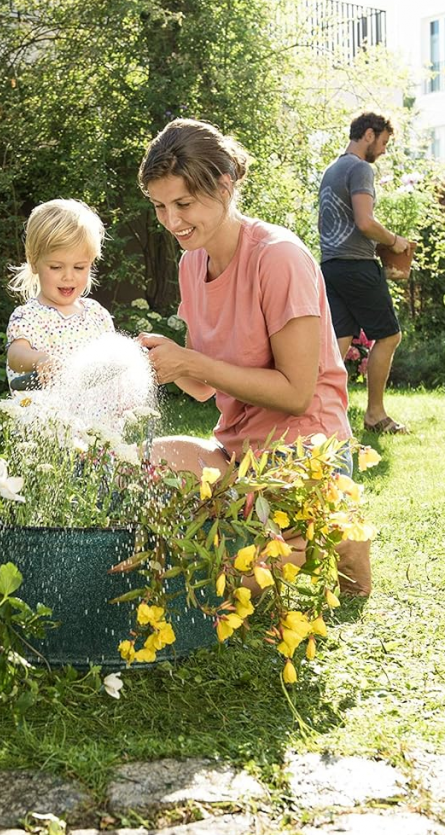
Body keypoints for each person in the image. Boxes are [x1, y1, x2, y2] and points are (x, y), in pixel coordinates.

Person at [136, 118, 371, 597]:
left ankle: (335, 527)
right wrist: (158, 361)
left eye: (183, 203)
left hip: (303, 451)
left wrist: (191, 363)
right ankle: (279, 530)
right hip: (238, 454)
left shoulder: (277, 256)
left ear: (224, 185)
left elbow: (296, 392)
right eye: (160, 206)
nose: (172, 221)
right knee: (148, 466)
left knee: (232, 585)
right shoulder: (191, 263)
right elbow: (204, 387)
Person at [318, 111, 412, 435]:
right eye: (384, 142)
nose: (384, 150)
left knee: (336, 344)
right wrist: (395, 241)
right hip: (357, 265)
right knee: (389, 335)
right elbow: (365, 222)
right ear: (369, 135)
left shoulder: (331, 169)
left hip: (330, 266)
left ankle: (319, 416)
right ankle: (374, 415)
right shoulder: (359, 168)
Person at [5, 199, 115, 389]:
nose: (68, 276)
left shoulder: (97, 314)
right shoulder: (29, 316)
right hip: (49, 416)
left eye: (79, 267)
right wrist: (39, 360)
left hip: (96, 416)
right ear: (34, 262)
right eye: (56, 267)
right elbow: (15, 356)